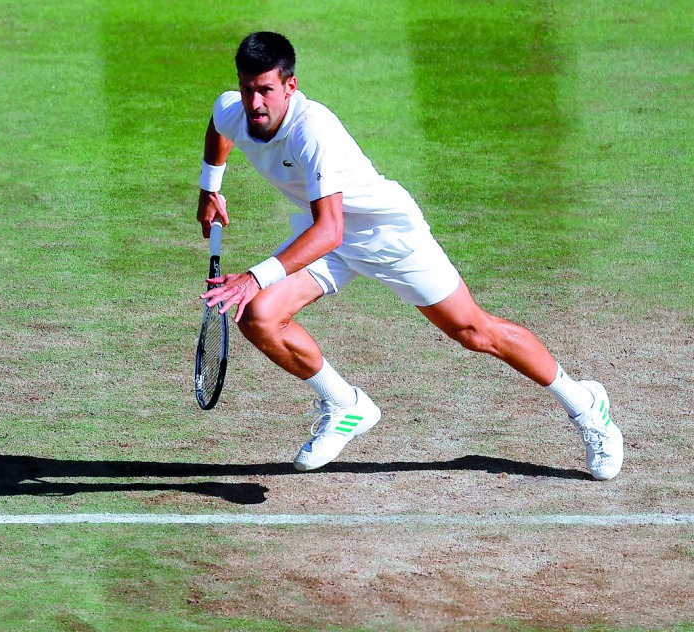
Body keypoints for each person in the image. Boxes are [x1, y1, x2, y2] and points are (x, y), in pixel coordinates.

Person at [199, 31, 623, 479]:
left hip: (384, 235)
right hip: (326, 234)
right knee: (258, 316)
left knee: (475, 332)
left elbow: (331, 229)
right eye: (248, 89)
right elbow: (219, 126)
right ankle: (345, 405)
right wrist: (210, 187)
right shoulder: (234, 109)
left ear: (290, 85)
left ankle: (586, 405)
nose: (255, 102)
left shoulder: (313, 131)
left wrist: (254, 276)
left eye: (266, 89)